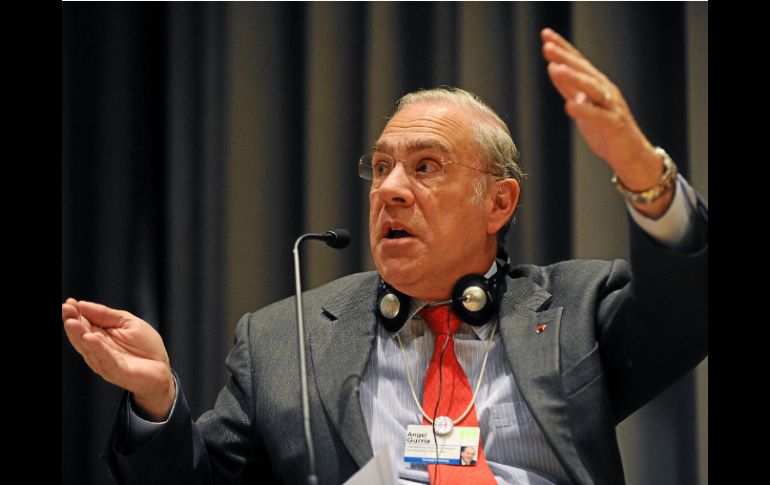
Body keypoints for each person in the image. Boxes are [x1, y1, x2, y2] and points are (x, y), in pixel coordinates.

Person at [62, 28, 707, 485]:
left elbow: (691, 304)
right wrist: (157, 401)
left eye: (426, 166)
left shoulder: (574, 310)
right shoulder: (286, 341)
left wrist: (644, 177)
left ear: (498, 203)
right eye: (381, 167)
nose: (390, 189)